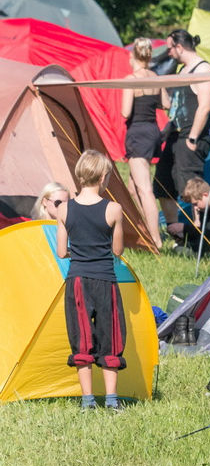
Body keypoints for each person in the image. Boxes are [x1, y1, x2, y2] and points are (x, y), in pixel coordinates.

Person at [55, 150, 125, 411]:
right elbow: (117, 251)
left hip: (77, 282)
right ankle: (112, 400)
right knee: (111, 337)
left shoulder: (64, 209)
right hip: (105, 281)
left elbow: (62, 252)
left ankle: (87, 401)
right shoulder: (114, 209)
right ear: (104, 176)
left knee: (81, 338)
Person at [153, 30, 210, 238]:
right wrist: (159, 84)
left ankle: (202, 232)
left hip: (191, 136)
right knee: (164, 183)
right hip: (174, 135)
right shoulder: (182, 70)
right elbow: (173, 105)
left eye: (170, 47)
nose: (169, 52)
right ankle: (175, 231)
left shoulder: (204, 69)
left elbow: (204, 107)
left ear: (179, 47)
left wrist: (192, 138)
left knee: (191, 187)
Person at [122, 37, 171, 250]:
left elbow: (125, 112)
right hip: (153, 131)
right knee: (133, 187)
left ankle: (156, 239)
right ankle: (146, 229)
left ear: (133, 55)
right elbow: (167, 103)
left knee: (144, 189)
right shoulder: (155, 77)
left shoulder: (131, 79)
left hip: (138, 133)